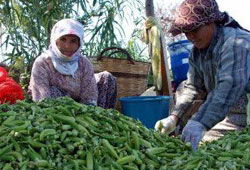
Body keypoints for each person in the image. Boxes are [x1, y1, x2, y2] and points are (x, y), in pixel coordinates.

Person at [155, 0, 250, 150]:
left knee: (208, 146)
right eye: (186, 31)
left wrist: (200, 122)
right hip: (224, 114)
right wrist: (174, 117)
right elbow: (193, 87)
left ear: (211, 21)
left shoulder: (236, 42)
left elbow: (228, 87)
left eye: (195, 29)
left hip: (243, 115)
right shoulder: (197, 52)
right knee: (191, 144)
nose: (190, 36)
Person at [29, 19, 117, 109]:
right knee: (53, 91)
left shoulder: (84, 63)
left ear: (79, 43)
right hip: (54, 110)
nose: (67, 46)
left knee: (107, 78)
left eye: (73, 41)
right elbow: (41, 99)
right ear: (55, 40)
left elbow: (90, 97)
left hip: (80, 108)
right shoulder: (43, 63)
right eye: (63, 39)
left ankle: (99, 118)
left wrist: (85, 111)